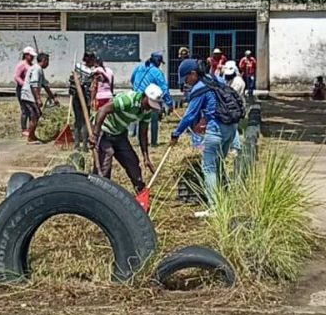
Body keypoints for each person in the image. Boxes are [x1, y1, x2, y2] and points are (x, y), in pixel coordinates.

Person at [171, 59, 240, 217]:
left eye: (186, 78)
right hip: (230, 128)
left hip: (215, 129)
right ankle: (225, 199)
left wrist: (176, 133)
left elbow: (189, 116)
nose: (186, 83)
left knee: (208, 167)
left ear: (193, 74)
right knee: (219, 164)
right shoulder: (217, 80)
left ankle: (215, 207)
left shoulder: (199, 89)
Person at [90, 84, 164, 194]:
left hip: (119, 134)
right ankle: (99, 193)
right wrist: (95, 135)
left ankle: (140, 191)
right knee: (104, 165)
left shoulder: (146, 111)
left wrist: (146, 157)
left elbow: (143, 134)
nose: (150, 108)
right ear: (144, 97)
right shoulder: (128, 100)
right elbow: (102, 110)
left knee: (132, 161)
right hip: (104, 131)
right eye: (149, 104)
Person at [130, 51, 174, 146]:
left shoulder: (139, 67)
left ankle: (140, 142)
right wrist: (169, 103)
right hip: (150, 98)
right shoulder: (157, 72)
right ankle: (154, 142)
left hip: (137, 97)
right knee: (154, 120)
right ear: (158, 62)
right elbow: (164, 88)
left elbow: (132, 79)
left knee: (139, 119)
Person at [24, 53, 58, 143]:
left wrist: (53, 97)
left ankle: (32, 135)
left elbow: (45, 85)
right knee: (35, 115)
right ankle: (30, 137)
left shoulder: (39, 70)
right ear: (44, 61)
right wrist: (38, 99)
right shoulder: (36, 69)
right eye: (48, 61)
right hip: (29, 96)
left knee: (37, 114)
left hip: (30, 96)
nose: (48, 64)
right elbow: (34, 84)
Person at [71, 52, 97, 151]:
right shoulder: (90, 70)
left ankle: (80, 144)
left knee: (80, 120)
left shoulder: (78, 66)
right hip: (82, 98)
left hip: (79, 97)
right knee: (84, 121)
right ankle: (82, 145)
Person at [14, 47, 37, 136]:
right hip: (22, 89)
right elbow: (16, 76)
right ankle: (24, 129)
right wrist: (24, 84)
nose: (32, 58)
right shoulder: (22, 65)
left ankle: (30, 128)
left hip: (30, 90)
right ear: (26, 55)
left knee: (32, 109)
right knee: (25, 110)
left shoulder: (31, 65)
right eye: (30, 56)